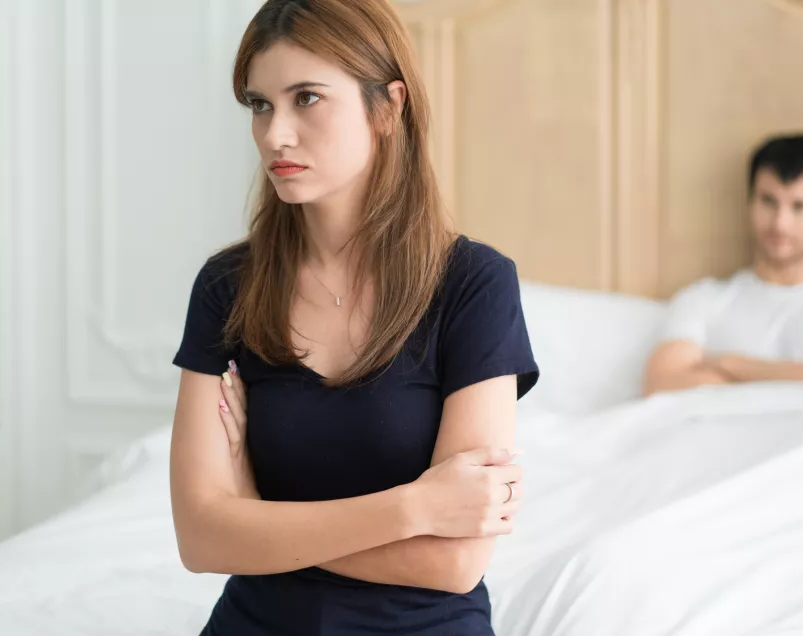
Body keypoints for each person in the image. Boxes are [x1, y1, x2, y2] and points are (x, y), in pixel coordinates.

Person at [169, 1, 539, 634]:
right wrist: (416, 507)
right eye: (259, 105)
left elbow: (455, 562)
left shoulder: (474, 285)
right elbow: (201, 540)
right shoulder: (227, 289)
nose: (275, 134)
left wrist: (258, 519)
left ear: (389, 106)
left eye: (306, 98)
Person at [643, 133, 803, 397]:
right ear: (750, 204)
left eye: (800, 207)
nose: (780, 223)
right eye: (768, 202)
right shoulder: (703, 299)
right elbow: (660, 384)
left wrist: (732, 365)